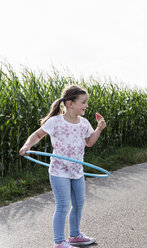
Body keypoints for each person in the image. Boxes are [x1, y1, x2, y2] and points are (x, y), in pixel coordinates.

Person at [19, 85, 106, 248]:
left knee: (79, 204)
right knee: (63, 205)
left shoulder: (84, 123)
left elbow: (89, 142)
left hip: (77, 171)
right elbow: (38, 134)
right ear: (70, 103)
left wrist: (99, 129)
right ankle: (59, 242)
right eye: (83, 102)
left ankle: (74, 236)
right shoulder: (55, 122)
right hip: (59, 171)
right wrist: (27, 146)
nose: (86, 106)